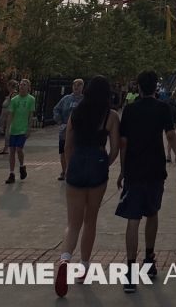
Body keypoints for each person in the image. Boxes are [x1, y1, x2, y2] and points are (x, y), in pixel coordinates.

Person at [115, 71, 176, 293]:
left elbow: (123, 143)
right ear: (156, 86)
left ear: (139, 87)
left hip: (134, 168)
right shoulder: (163, 108)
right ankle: (149, 259)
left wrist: (122, 170)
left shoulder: (130, 109)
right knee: (152, 212)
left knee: (133, 219)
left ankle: (130, 271)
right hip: (155, 167)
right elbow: (171, 136)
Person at [55, 76, 120, 298]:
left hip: (77, 161)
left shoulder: (76, 113)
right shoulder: (110, 116)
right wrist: (105, 164)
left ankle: (65, 259)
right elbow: (115, 148)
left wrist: (71, 164)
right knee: (90, 220)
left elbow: (67, 144)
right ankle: (83, 267)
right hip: (98, 162)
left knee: (73, 223)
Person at [4, 79, 35, 184]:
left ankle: (22, 166)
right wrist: (7, 129)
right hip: (14, 128)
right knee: (12, 150)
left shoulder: (31, 99)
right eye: (21, 85)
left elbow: (31, 115)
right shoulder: (14, 100)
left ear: (28, 87)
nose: (22, 87)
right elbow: (10, 115)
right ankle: (11, 173)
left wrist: (28, 128)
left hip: (23, 128)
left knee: (19, 149)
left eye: (24, 85)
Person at [54, 79, 85, 181]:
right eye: (74, 85)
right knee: (63, 151)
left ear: (82, 87)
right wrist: (58, 120)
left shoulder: (84, 100)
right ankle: (64, 170)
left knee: (76, 151)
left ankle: (75, 170)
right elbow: (56, 109)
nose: (76, 87)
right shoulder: (66, 99)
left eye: (78, 85)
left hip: (78, 131)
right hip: (65, 131)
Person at [0, 79, 18, 154]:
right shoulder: (10, 93)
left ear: (11, 86)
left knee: (8, 131)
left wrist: (9, 115)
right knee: (6, 130)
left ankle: (7, 148)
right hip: (5, 113)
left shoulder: (14, 94)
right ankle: (6, 147)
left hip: (8, 114)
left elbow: (13, 105)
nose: (7, 87)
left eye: (8, 85)